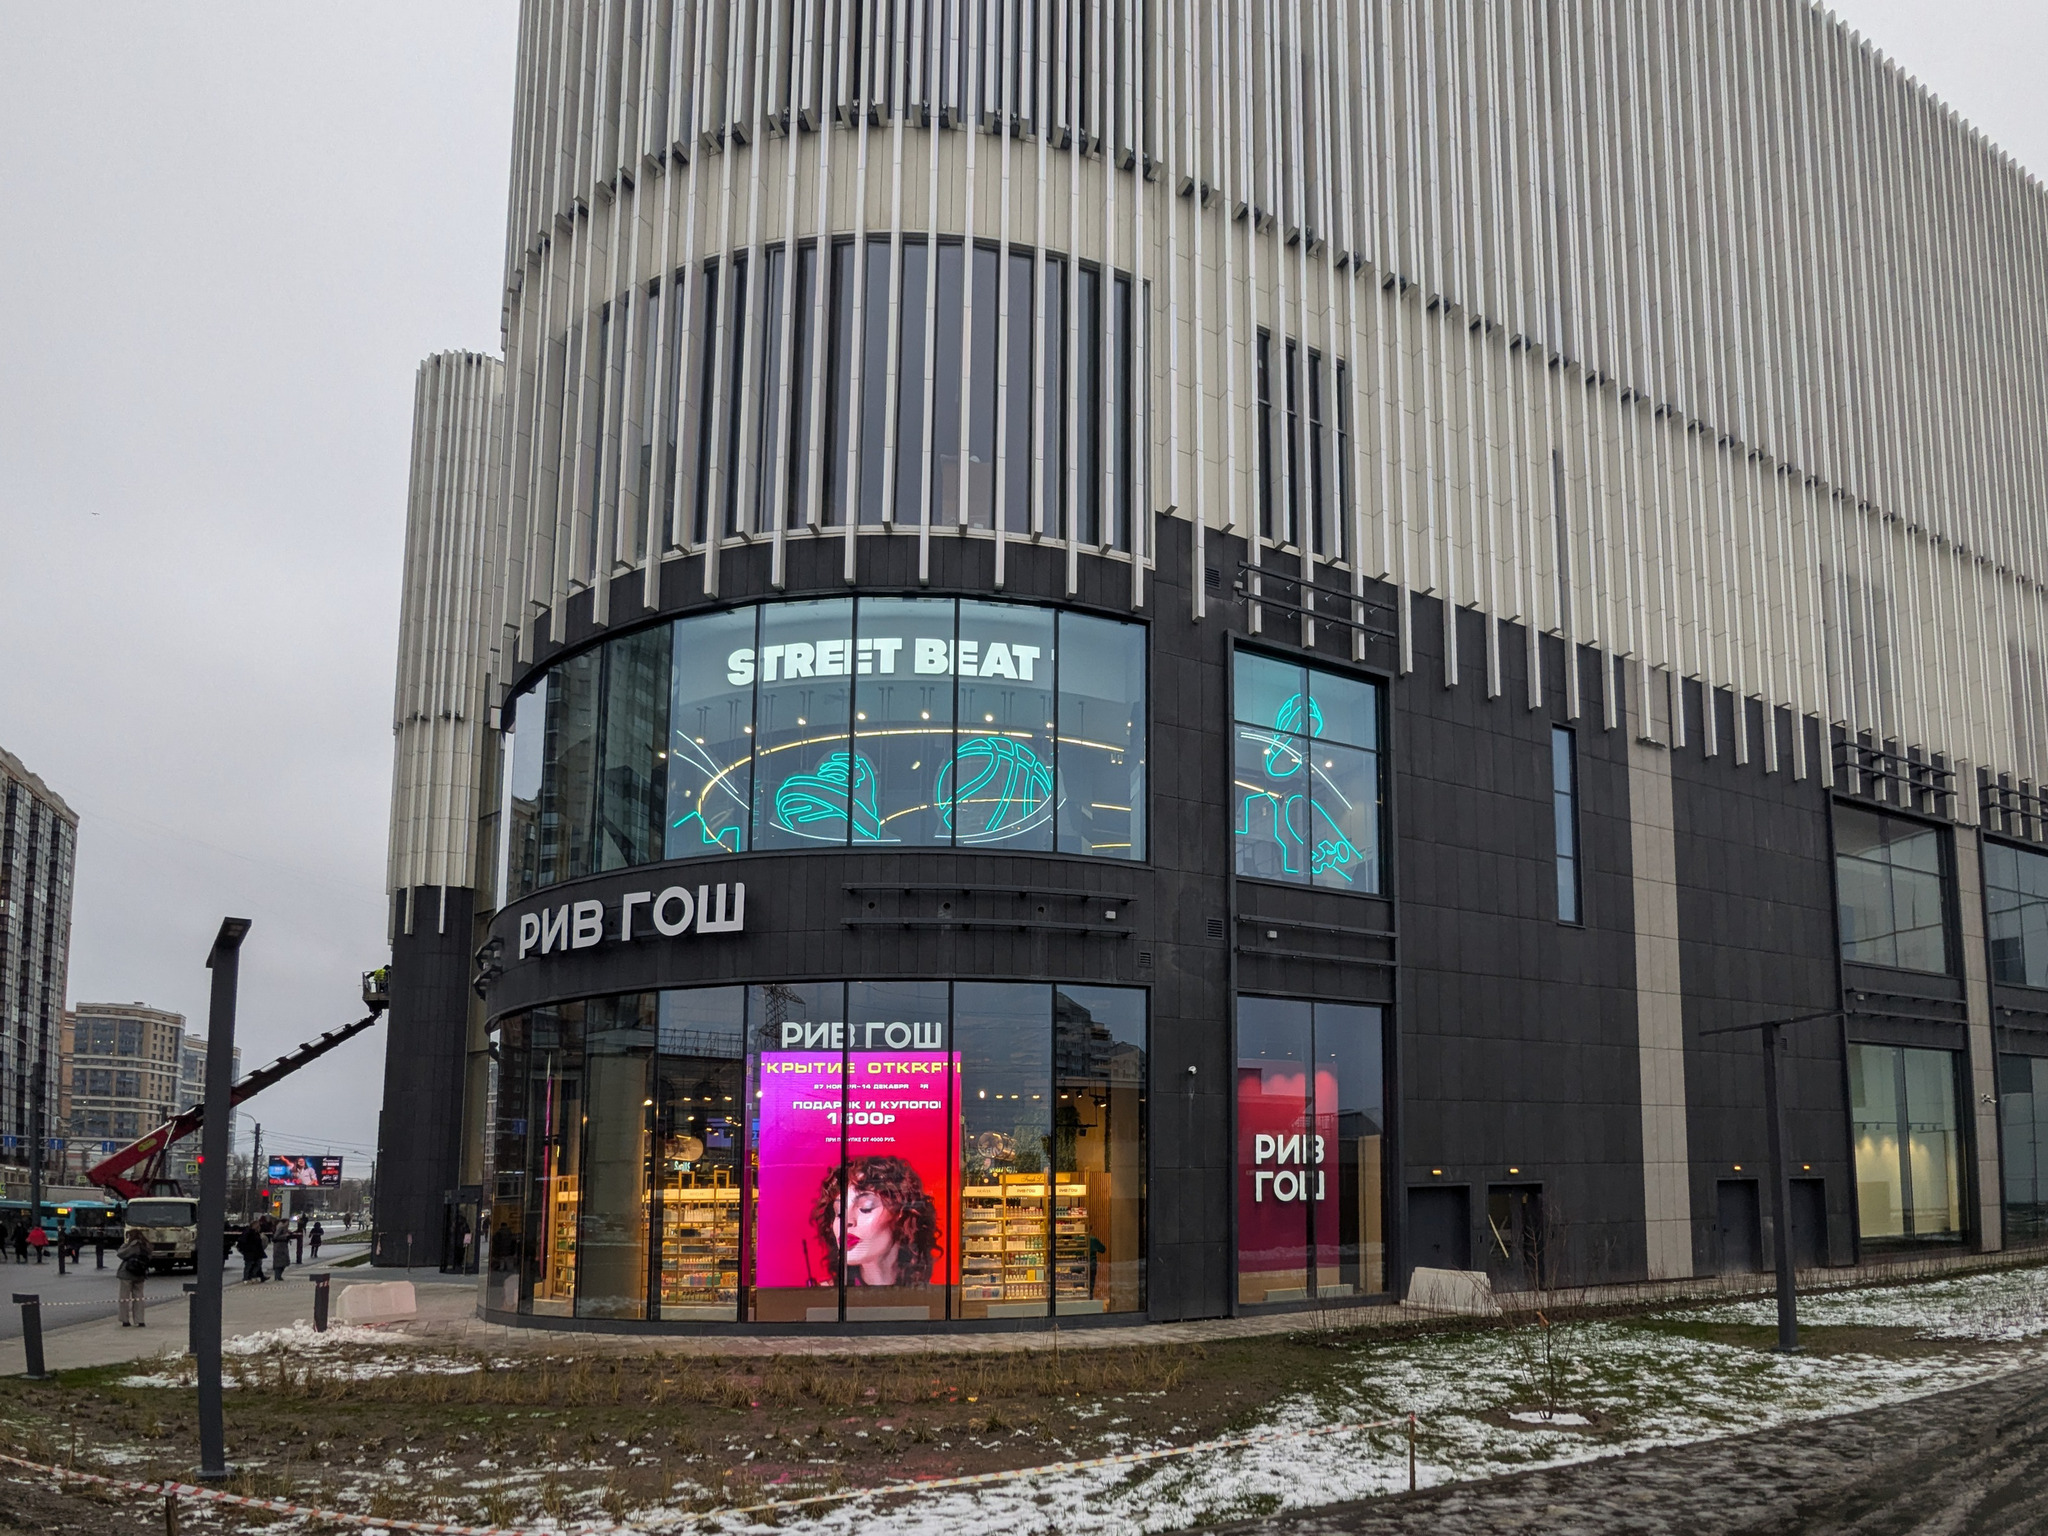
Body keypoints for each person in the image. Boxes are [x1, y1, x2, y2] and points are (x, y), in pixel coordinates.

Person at [808, 1155, 938, 1289]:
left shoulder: (929, 1297)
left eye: (866, 1208)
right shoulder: (822, 1296)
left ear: (901, 1214)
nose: (846, 1222)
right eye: (839, 1212)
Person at [115, 1228, 151, 1327]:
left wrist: (126, 1244)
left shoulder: (133, 1245)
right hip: (140, 1273)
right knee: (139, 1297)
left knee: (124, 1298)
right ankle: (140, 1320)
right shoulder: (146, 1245)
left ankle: (125, 1319)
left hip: (127, 1273)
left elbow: (120, 1253)